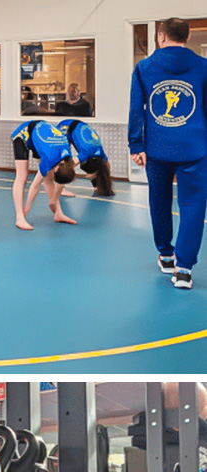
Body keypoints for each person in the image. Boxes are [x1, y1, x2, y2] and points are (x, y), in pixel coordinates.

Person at [130, 17, 207, 289]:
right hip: (194, 148)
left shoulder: (144, 67)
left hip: (158, 149)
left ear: (161, 36)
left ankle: (166, 255)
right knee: (194, 206)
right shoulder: (203, 67)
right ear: (187, 38)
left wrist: (135, 145)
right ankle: (184, 270)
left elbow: (137, 109)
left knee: (159, 201)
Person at [10, 120, 77, 230]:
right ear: (57, 167)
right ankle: (19, 217)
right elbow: (35, 185)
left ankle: (58, 213)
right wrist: (27, 207)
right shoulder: (50, 159)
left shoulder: (67, 157)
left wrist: (53, 201)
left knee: (49, 177)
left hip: (41, 137)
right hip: (23, 134)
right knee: (22, 175)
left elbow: (60, 183)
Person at [57, 118, 115, 198]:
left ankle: (97, 186)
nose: (85, 175)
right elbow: (66, 166)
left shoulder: (100, 154)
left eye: (87, 172)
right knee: (64, 158)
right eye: (87, 172)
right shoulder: (85, 154)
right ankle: (61, 190)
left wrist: (105, 180)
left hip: (81, 126)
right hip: (66, 126)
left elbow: (107, 165)